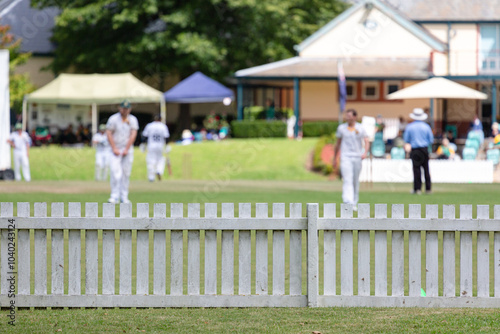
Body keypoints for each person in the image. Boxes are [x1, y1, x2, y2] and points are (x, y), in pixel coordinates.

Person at [332, 109, 369, 210]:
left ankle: (354, 202)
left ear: (355, 117)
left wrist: (365, 152)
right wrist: (335, 157)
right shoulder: (342, 128)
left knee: (355, 180)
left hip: (357, 157)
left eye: (349, 116)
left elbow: (366, 140)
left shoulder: (360, 128)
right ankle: (347, 201)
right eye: (346, 116)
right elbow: (338, 143)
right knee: (347, 179)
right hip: (345, 156)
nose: (347, 118)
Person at [106, 100, 139, 204]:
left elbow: (133, 134)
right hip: (115, 149)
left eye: (127, 108)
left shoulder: (133, 119)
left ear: (129, 109)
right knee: (115, 173)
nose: (124, 110)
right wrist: (114, 148)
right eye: (123, 108)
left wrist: (126, 149)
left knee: (126, 173)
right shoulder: (113, 119)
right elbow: (109, 133)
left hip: (127, 150)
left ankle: (124, 196)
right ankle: (114, 196)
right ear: (119, 108)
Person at [403, 108, 434, 194]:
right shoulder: (426, 127)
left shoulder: (410, 127)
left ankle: (417, 189)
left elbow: (406, 139)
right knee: (426, 169)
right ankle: (428, 189)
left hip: (415, 149)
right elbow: (431, 140)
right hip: (424, 149)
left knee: (416, 170)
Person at [142, 114, 170, 182]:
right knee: (160, 159)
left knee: (151, 160)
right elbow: (166, 137)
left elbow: (145, 136)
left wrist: (143, 145)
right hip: (160, 145)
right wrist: (166, 146)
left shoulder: (149, 126)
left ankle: (151, 176)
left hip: (151, 145)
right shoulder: (163, 126)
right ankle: (159, 171)